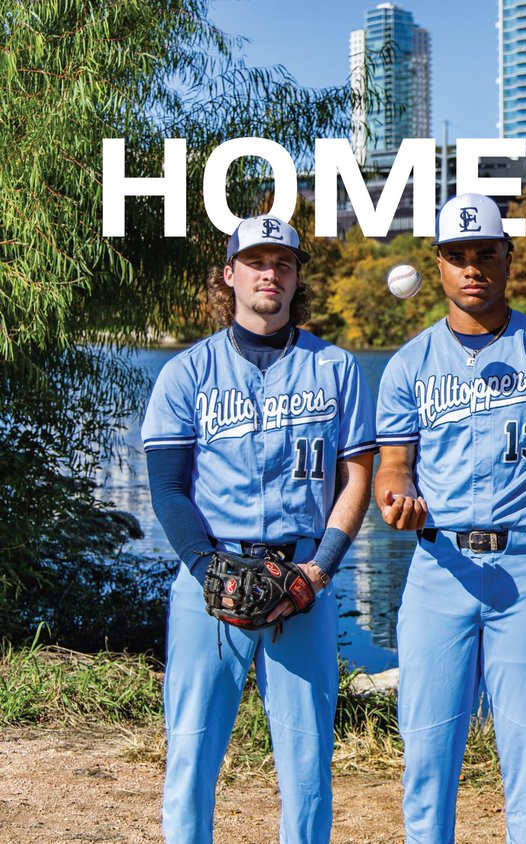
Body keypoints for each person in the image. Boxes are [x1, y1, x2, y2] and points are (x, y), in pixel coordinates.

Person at [374, 193, 526, 843]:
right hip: (438, 568)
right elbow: (393, 466)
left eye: (485, 253)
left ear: (509, 258)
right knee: (427, 759)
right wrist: (395, 499)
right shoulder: (408, 365)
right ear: (439, 265)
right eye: (457, 256)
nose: (472, 267)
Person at [142, 214, 377, 843]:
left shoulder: (337, 369)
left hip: (304, 578)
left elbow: (357, 479)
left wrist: (319, 570)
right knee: (191, 755)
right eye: (255, 262)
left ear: (297, 278)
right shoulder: (187, 372)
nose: (268, 273)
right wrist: (204, 568)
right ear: (230, 275)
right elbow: (166, 488)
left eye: (283, 263)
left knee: (306, 768)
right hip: (209, 578)